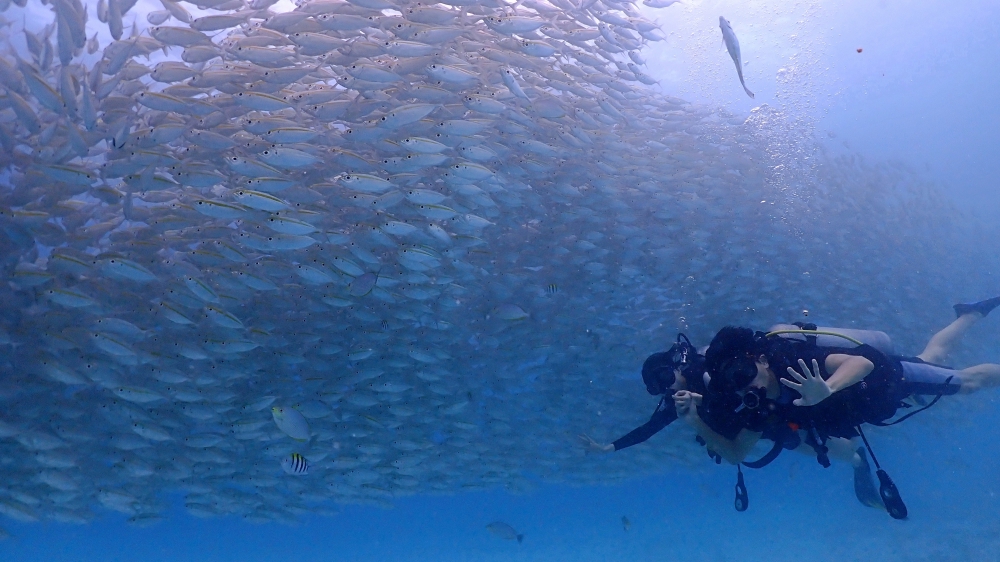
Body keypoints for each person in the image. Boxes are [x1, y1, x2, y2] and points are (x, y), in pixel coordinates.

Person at [678, 296, 1000, 516]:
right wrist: (695, 421)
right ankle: (969, 314)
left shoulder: (793, 360)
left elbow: (859, 363)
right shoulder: (758, 405)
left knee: (966, 383)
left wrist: (826, 388)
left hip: (888, 381)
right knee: (931, 358)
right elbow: (736, 453)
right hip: (870, 407)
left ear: (761, 359)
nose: (745, 386)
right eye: (733, 383)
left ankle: (969, 316)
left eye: (744, 374)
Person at [579, 334, 883, 509]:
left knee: (802, 438)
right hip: (757, 429)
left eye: (665, 377)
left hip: (766, 415)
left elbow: (741, 385)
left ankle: (857, 458)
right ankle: (857, 460)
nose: (669, 388)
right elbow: (649, 428)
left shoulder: (708, 370)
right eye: (660, 388)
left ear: (674, 364)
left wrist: (707, 401)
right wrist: (609, 448)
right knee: (793, 442)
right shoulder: (677, 400)